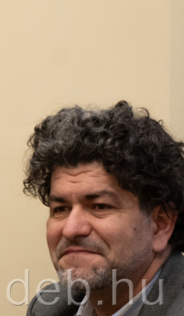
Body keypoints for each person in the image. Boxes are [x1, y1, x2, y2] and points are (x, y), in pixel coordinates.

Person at [23, 100, 184, 316]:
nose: (71, 229)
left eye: (99, 206)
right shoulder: (49, 308)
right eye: (60, 209)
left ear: (160, 224)